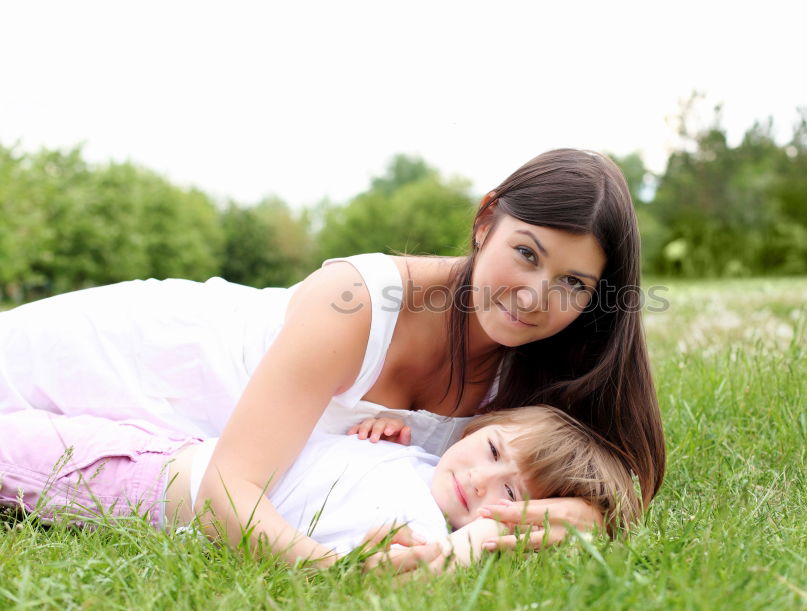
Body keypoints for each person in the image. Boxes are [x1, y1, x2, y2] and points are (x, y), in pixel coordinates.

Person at [0, 149, 664, 564]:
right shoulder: (357, 299)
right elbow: (228, 489)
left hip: (174, 438)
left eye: (573, 284)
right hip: (138, 356)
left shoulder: (540, 372)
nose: (534, 297)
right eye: (526, 253)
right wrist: (330, 571)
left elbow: (599, 475)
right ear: (487, 219)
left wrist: (581, 516)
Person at [0, 405, 638, 571]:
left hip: (139, 481)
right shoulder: (420, 461)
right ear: (483, 428)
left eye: (513, 497)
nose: (482, 481)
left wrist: (478, 541)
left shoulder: (421, 525)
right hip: (167, 443)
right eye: (494, 451)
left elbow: (394, 565)